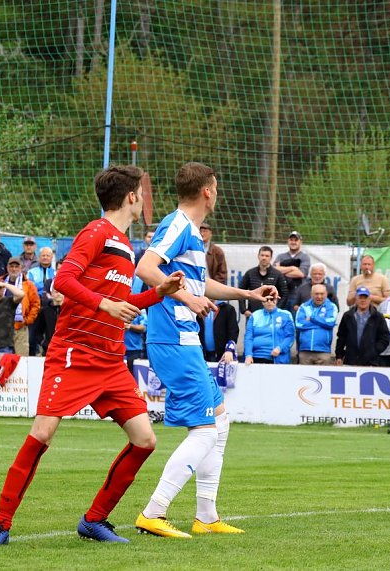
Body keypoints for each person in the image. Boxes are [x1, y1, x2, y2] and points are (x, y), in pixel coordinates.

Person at [0, 164, 184, 547]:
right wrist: (105, 305)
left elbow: (123, 303)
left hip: (110, 361)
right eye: (142, 193)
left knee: (145, 440)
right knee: (42, 433)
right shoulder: (96, 232)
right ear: (131, 197)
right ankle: (0, 525)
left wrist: (159, 293)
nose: (144, 199)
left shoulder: (125, 246)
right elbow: (64, 280)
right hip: (74, 354)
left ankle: (94, 520)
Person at [134, 162, 276, 538]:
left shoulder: (192, 234)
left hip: (185, 340)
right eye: (216, 187)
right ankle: (153, 512)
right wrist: (187, 298)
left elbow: (202, 284)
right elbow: (146, 267)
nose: (218, 194)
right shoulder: (177, 225)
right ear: (207, 191)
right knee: (204, 431)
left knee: (219, 421)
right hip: (172, 339)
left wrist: (247, 293)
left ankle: (206, 517)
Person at [335, 286, 390, 366]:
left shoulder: (378, 316)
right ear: (356, 299)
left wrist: (374, 351)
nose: (363, 300)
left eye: (365, 297)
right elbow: (341, 337)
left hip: (371, 362)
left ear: (369, 299)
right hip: (350, 360)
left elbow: (385, 337)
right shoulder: (347, 316)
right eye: (360, 297)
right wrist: (339, 356)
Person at [3, 256, 40, 356]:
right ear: (7, 268)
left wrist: (28, 320)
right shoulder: (1, 283)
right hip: (2, 327)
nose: (14, 269)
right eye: (11, 266)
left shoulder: (29, 285)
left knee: (21, 358)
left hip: (20, 327)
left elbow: (35, 304)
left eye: (16, 266)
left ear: (21, 268)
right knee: (1, 358)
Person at [238, 246, 288, 318]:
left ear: (271, 258)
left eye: (267, 256)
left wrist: (277, 309)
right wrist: (244, 310)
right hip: (253, 315)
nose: (264, 258)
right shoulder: (250, 273)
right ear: (258, 256)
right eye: (262, 255)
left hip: (272, 316)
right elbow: (241, 291)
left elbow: (284, 294)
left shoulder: (277, 274)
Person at [295, 284, 338, 365]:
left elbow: (330, 323)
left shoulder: (331, 306)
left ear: (326, 294)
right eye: (316, 294)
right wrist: (322, 323)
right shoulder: (303, 307)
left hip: (323, 351)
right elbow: (299, 324)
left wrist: (312, 318)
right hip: (305, 350)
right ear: (311, 294)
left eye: (322, 294)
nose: (319, 296)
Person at [244, 297, 294, 365]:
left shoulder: (286, 315)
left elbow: (290, 337)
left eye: (272, 299)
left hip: (277, 358)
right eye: (266, 299)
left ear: (276, 300)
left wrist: (280, 348)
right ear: (262, 301)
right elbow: (248, 337)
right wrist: (248, 355)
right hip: (255, 357)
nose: (269, 301)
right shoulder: (254, 315)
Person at [274, 231, 311, 305]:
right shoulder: (280, 256)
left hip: (297, 295)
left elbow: (301, 273)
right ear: (288, 241)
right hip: (281, 294)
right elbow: (274, 271)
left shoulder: (305, 257)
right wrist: (293, 268)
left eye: (296, 240)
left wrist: (282, 270)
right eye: (291, 240)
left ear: (300, 242)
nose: (293, 242)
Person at [0, 278, 24, 356]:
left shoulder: (9, 302)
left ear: (3, 289)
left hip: (4, 347)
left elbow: (21, 294)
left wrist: (4, 284)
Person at [31, 286, 64, 356]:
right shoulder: (45, 311)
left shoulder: (69, 311)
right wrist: (43, 342)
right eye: (56, 292)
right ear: (51, 293)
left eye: (61, 292)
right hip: (48, 350)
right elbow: (38, 330)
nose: (58, 294)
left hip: (65, 349)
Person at [124, 310, 147, 375]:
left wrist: (130, 326)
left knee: (133, 376)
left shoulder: (140, 310)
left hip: (134, 351)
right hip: (116, 351)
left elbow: (143, 328)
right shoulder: (116, 307)